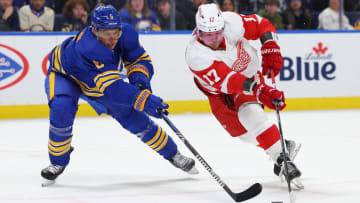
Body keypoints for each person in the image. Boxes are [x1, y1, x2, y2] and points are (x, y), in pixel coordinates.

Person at [41, 5, 198, 184]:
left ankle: (173, 154)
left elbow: (139, 59)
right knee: (62, 108)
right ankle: (58, 161)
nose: (111, 39)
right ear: (94, 30)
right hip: (65, 76)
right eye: (106, 34)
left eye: (115, 32)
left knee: (132, 117)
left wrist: (141, 84)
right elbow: (114, 90)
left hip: (100, 82)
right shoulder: (88, 48)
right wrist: (144, 100)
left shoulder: (127, 34)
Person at [185, 3, 303, 189]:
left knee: (250, 112)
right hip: (219, 92)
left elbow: (260, 24)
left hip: (249, 73)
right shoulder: (196, 55)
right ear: (198, 32)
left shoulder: (231, 22)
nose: (214, 39)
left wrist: (270, 44)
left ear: (223, 26)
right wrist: (259, 91)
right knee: (244, 134)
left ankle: (282, 160)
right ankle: (281, 145)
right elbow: (230, 81)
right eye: (207, 35)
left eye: (217, 33)